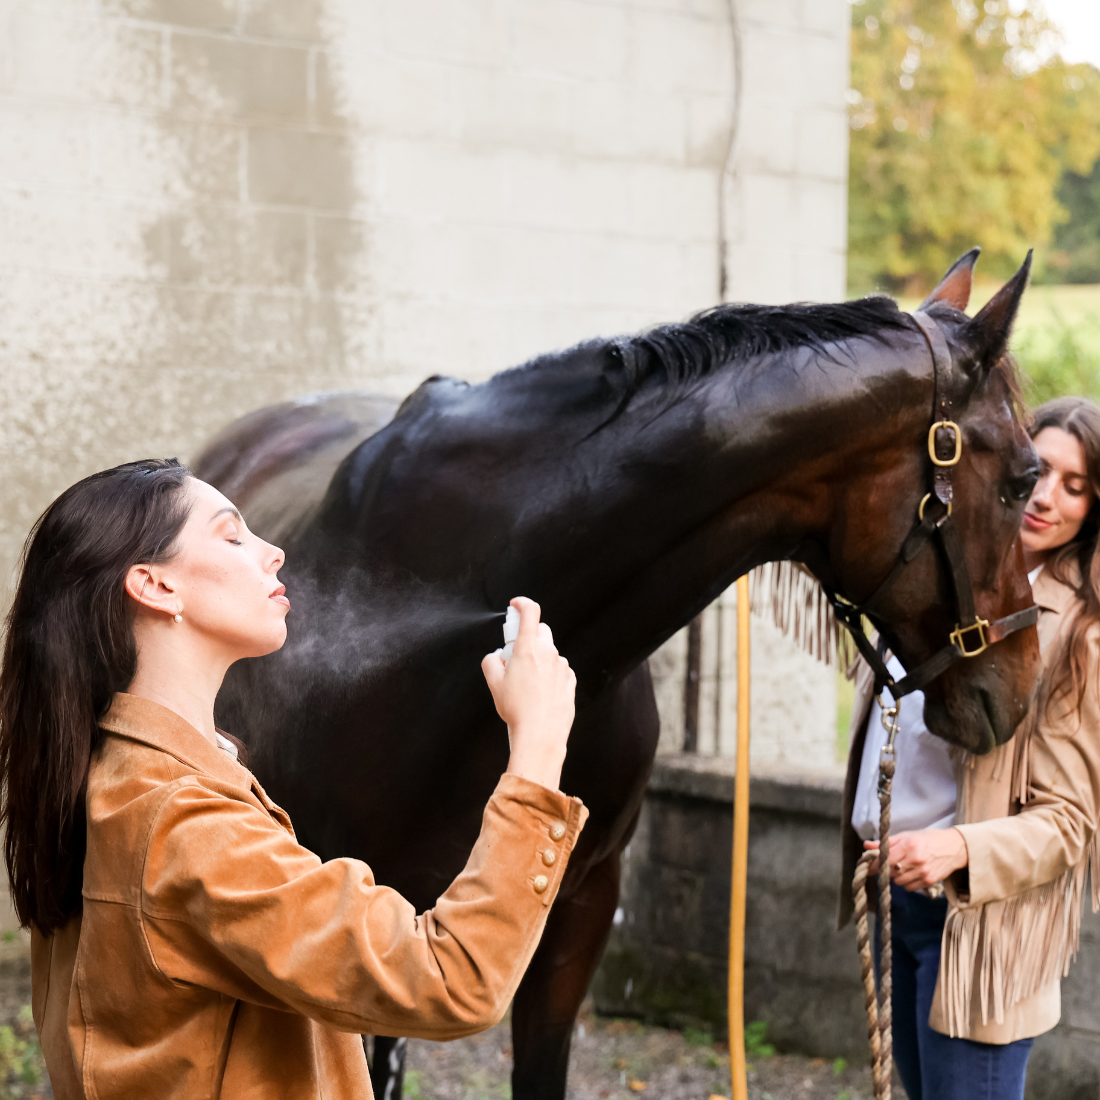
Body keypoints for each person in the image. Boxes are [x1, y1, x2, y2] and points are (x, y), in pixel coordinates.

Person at [2, 459, 585, 1099]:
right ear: (155, 586)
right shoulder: (183, 820)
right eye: (232, 536)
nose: (274, 552)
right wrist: (539, 743)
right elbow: (451, 980)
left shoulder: (118, 773)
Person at [838, 396, 1100, 1100]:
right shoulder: (952, 582)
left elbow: (1070, 824)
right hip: (897, 898)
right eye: (1039, 471)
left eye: (1076, 487)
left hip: (979, 932)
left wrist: (958, 851)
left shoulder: (1078, 634)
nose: (1047, 497)